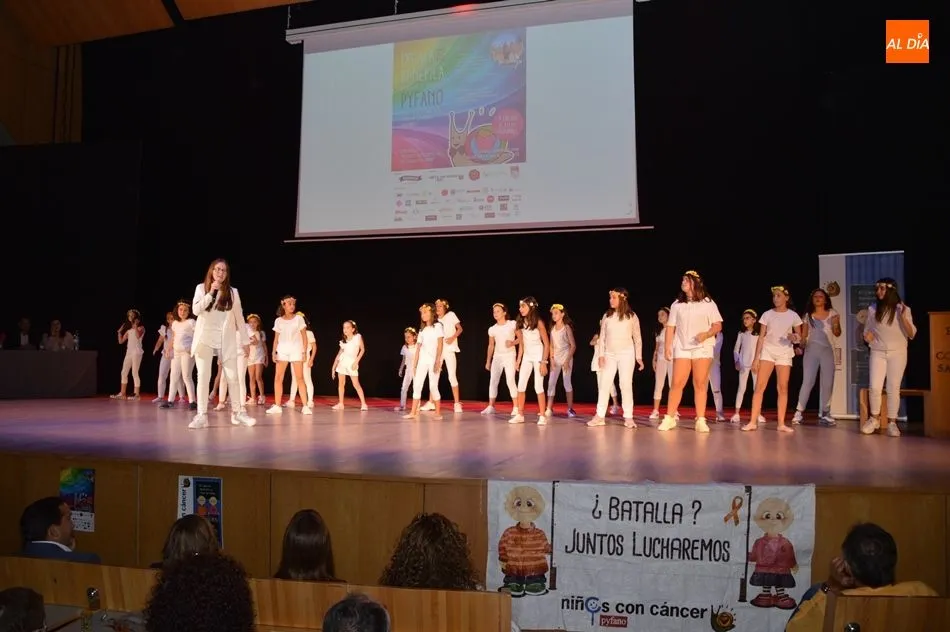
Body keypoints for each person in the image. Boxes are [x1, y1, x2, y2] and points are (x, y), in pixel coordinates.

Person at [786, 523, 937, 632]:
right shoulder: (923, 591)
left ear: (847, 568)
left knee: (816, 589)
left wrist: (831, 584)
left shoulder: (832, 605)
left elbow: (793, 629)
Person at [189, 259, 254, 429]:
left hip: (226, 339)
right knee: (203, 377)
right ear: (211, 271)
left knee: (233, 377)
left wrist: (245, 341)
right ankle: (202, 415)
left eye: (224, 270)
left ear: (227, 274)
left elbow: (239, 317)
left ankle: (238, 412)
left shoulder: (233, 292)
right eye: (217, 269)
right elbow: (195, 310)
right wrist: (211, 292)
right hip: (205, 337)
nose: (220, 273)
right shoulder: (201, 288)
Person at [657, 271, 723, 433]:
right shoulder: (677, 304)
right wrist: (668, 347)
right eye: (683, 279)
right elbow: (670, 327)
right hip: (682, 346)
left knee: (700, 383)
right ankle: (669, 418)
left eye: (687, 279)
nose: (683, 281)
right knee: (677, 383)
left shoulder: (708, 303)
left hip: (702, 347)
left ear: (696, 283)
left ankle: (700, 420)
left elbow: (717, 325)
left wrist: (706, 334)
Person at [741, 286, 802, 433]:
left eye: (779, 295)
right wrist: (756, 359)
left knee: (782, 387)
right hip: (768, 352)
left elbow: (799, 337)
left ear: (786, 298)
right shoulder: (767, 314)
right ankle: (752, 422)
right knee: (759, 386)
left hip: (784, 353)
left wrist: (794, 337)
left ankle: (781, 424)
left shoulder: (793, 315)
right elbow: (761, 337)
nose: (775, 298)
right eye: (774, 296)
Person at [860, 278, 916, 437]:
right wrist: (867, 337)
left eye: (882, 288)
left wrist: (903, 317)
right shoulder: (873, 309)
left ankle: (892, 422)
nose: (878, 291)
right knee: (875, 387)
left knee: (893, 388)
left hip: (898, 353)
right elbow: (867, 331)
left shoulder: (903, 309)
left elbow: (911, 334)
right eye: (877, 288)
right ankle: (874, 419)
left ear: (891, 290)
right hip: (878, 352)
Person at [587, 288, 643, 428]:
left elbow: (637, 338)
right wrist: (601, 355)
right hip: (609, 354)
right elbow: (602, 337)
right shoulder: (607, 315)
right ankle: (600, 416)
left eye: (614, 297)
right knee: (604, 384)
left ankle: (628, 417)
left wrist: (639, 357)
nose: (611, 300)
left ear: (622, 298)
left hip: (626, 354)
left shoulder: (631, 316)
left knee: (625, 384)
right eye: (610, 297)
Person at [792, 289, 841, 426]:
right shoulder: (808, 315)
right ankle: (799, 412)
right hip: (811, 351)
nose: (818, 298)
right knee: (808, 381)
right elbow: (804, 336)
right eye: (815, 297)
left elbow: (837, 333)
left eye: (821, 296)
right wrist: (800, 346)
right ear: (812, 300)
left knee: (828, 382)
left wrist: (835, 324)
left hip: (827, 351)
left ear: (825, 300)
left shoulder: (833, 313)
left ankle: (826, 412)